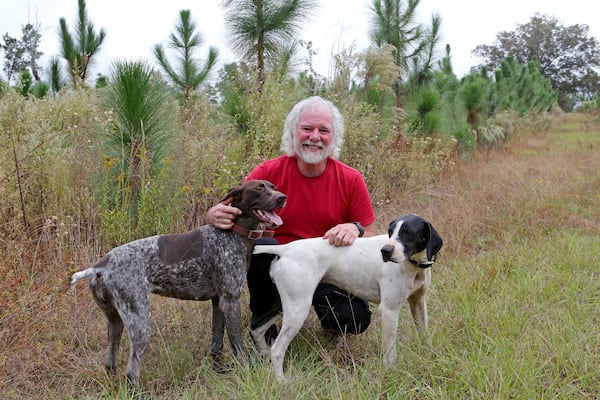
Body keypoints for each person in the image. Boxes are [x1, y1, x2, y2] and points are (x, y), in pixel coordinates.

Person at [206, 96, 376, 348]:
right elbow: (232, 205)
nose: (314, 136)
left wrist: (354, 228)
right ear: (293, 133)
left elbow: (371, 236)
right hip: (280, 267)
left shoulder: (350, 179)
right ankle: (264, 324)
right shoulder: (268, 173)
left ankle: (333, 326)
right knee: (261, 244)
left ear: (334, 137)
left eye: (323, 130)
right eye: (307, 128)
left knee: (355, 319)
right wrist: (213, 214)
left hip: (328, 269)